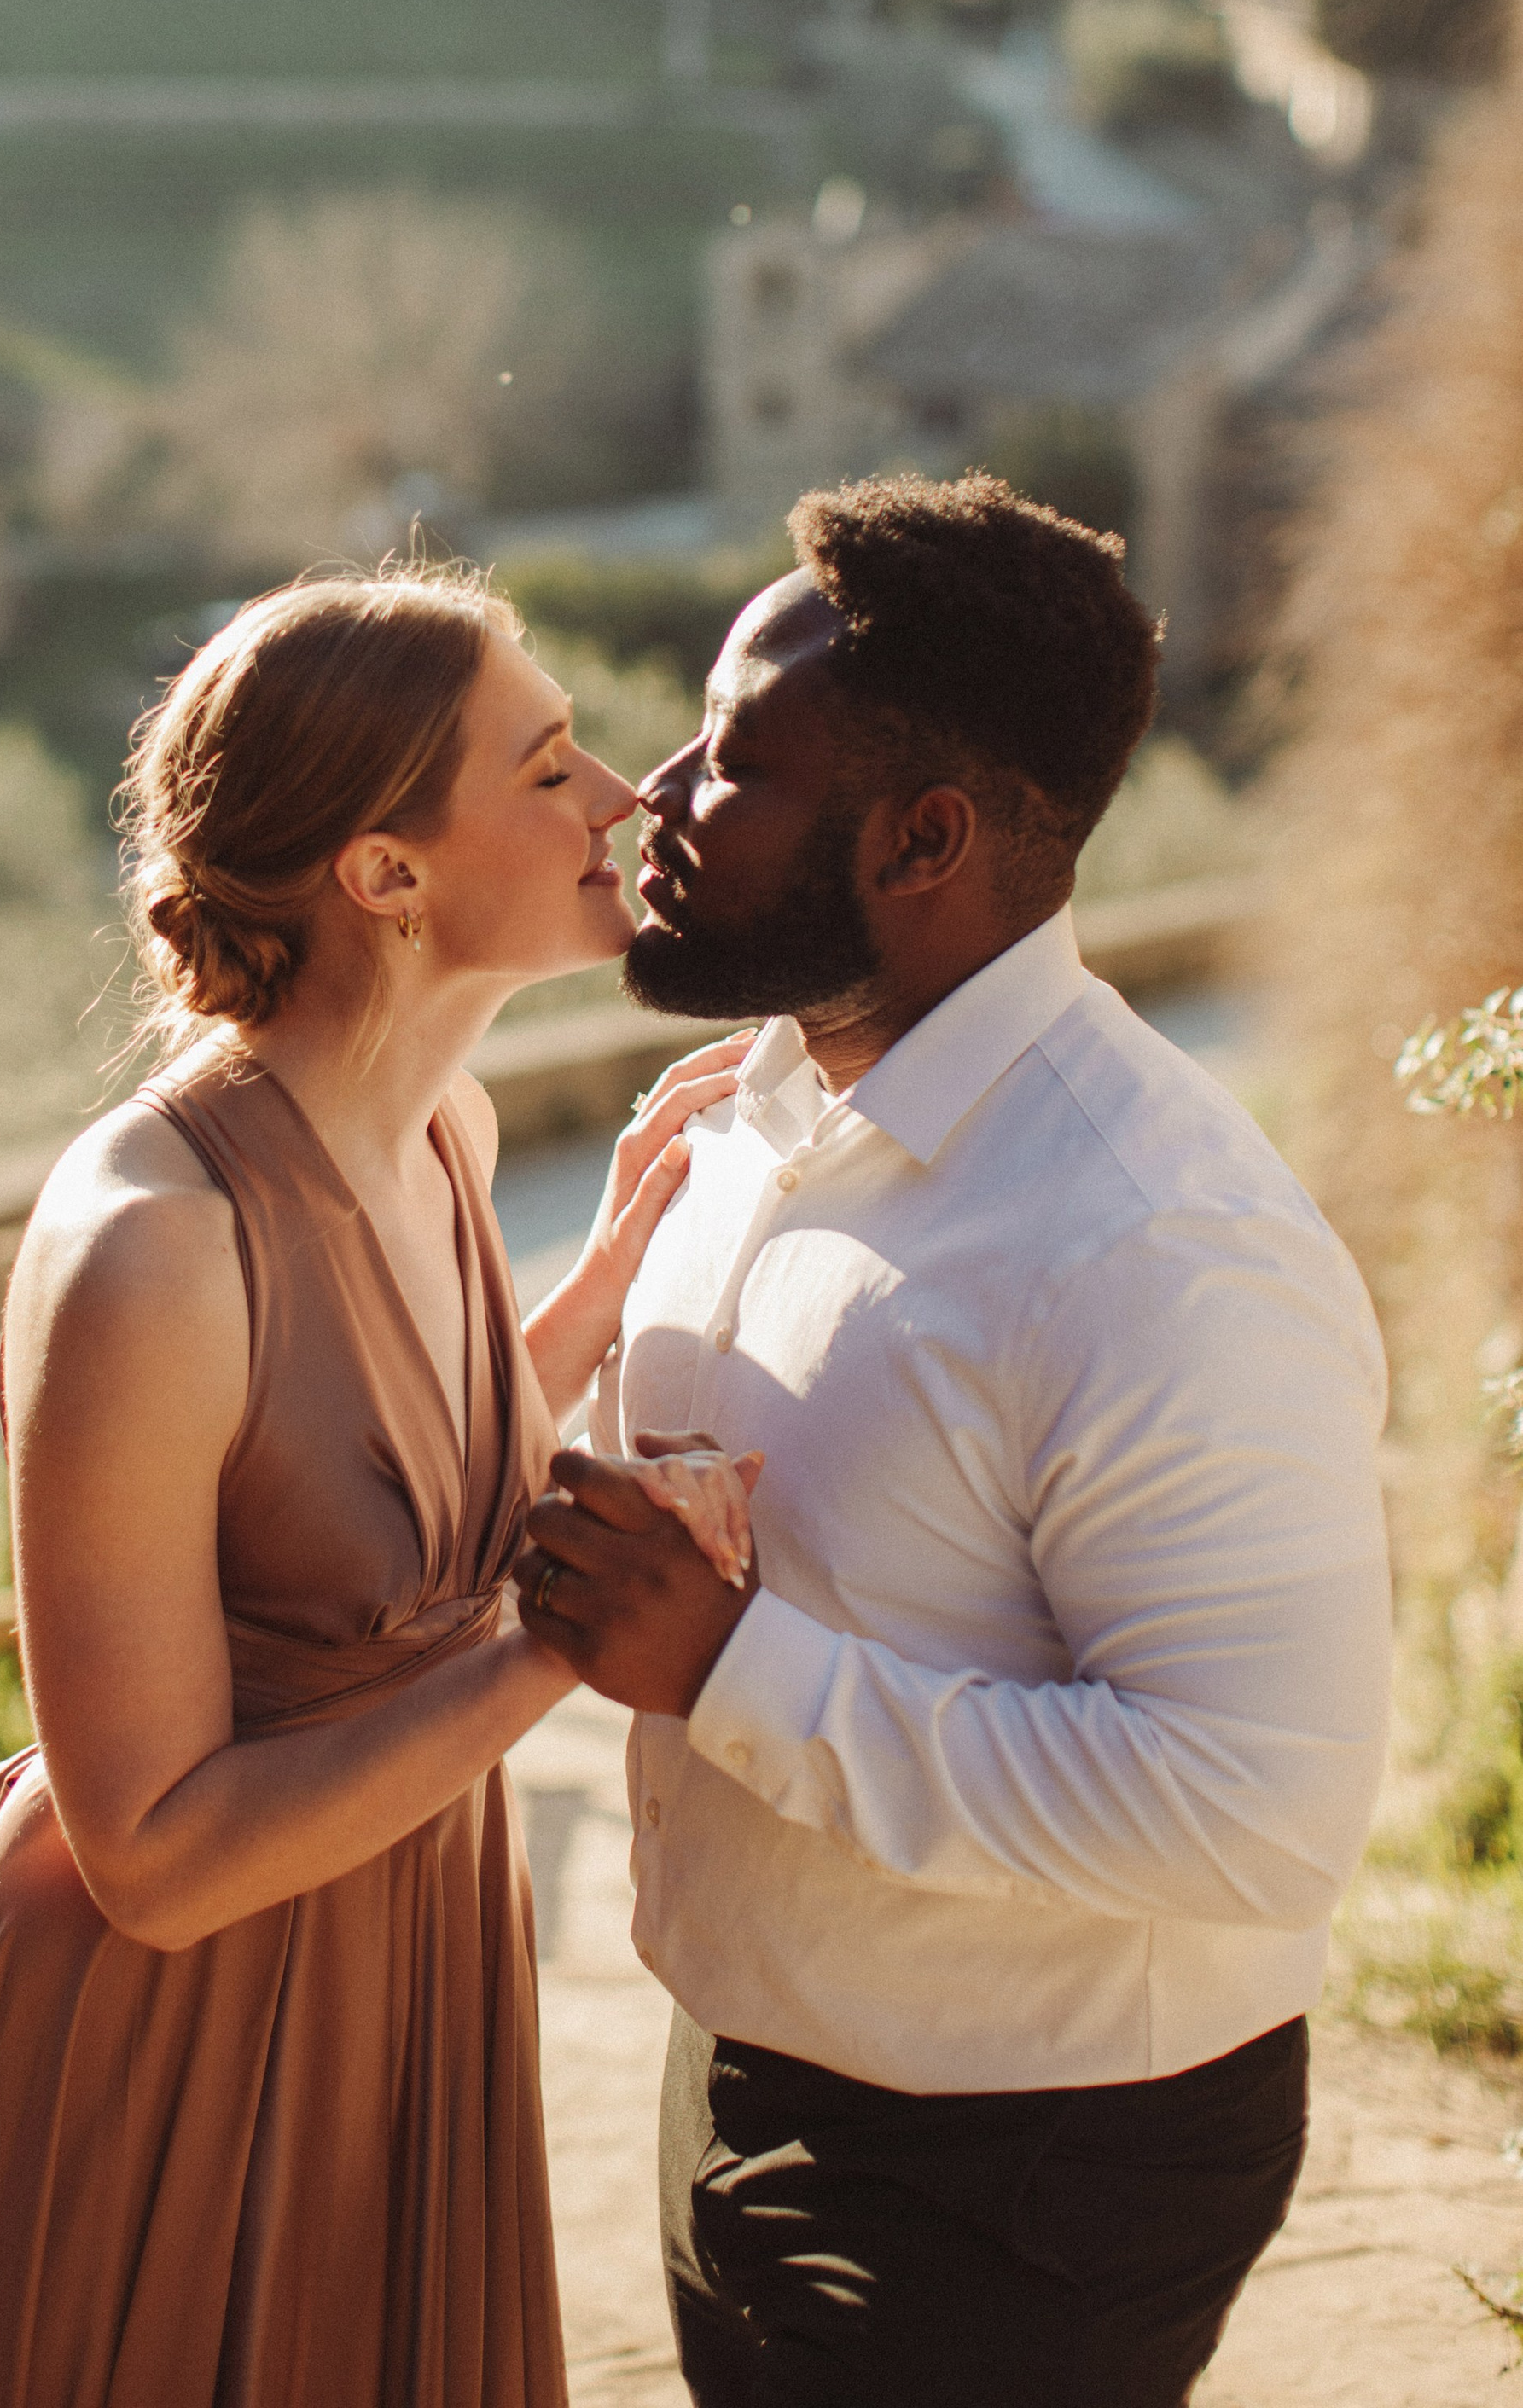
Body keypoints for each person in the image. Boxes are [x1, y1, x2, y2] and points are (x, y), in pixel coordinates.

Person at [0, 566, 750, 2408]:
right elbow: (153, 1860)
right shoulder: (147, 1246)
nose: (624, 798)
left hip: (396, 2007)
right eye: (548, 764)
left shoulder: (446, 1130)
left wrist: (595, 1289)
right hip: (149, 2070)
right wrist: (560, 1646)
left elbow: (365, 1482)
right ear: (383, 875)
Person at [516, 473, 1392, 2408]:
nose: (652, 794)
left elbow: (1256, 1811)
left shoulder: (1158, 1245)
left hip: (1034, 2161)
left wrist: (735, 1673)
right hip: (743, 2059)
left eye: (736, 763)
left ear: (925, 838)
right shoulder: (738, 1116)